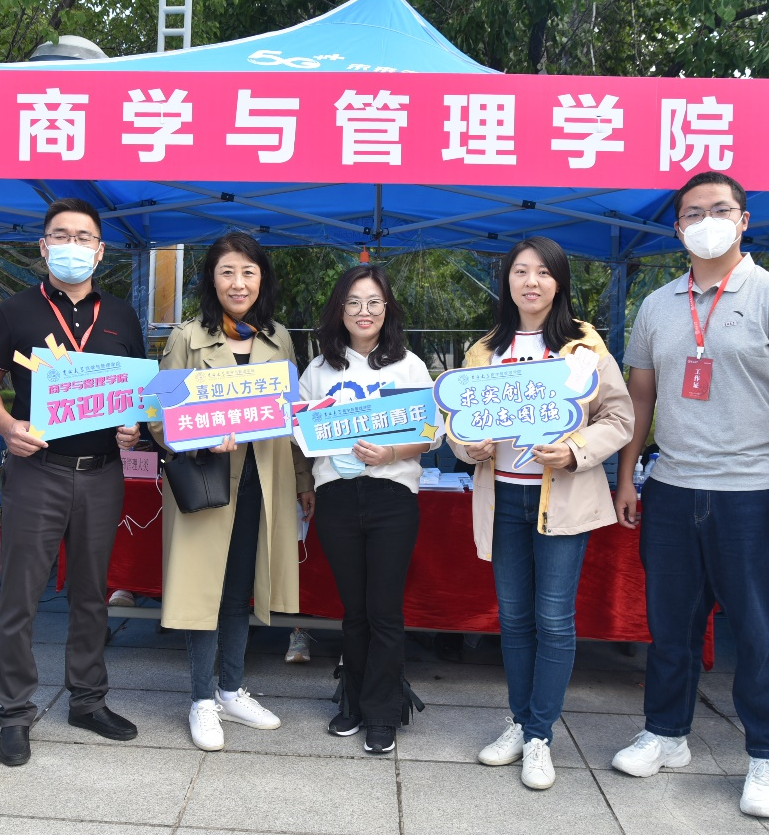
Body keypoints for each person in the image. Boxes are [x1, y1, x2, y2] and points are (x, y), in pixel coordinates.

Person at [611, 171, 769, 819]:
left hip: (752, 492)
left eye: (720, 209)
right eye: (693, 212)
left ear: (743, 220)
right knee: (670, 625)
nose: (706, 221)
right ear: (677, 227)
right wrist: (627, 475)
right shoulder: (657, 305)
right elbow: (640, 397)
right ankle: (665, 733)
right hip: (673, 488)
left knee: (759, 631)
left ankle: (766, 756)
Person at [451, 238, 633, 788]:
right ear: (507, 280)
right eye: (520, 272)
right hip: (504, 499)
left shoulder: (584, 346)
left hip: (562, 501)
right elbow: (456, 423)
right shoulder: (485, 350)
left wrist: (576, 450)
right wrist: (469, 448)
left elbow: (619, 416)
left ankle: (539, 736)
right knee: (513, 618)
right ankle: (519, 720)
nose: (531, 282)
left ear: (559, 282)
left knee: (553, 619)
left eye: (543, 273)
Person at [0, 198, 145, 767]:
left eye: (83, 237)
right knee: (20, 596)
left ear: (99, 251)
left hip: (102, 473)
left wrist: (134, 426)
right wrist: (6, 426)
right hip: (37, 471)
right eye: (61, 235)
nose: (72, 245)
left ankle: (88, 700)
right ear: (44, 245)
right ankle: (14, 712)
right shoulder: (14, 311)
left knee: (92, 594)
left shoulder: (122, 315)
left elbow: (135, 394)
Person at [152, 232, 315, 752]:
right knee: (204, 587)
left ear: (261, 279)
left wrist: (303, 479)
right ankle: (202, 699)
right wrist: (199, 437)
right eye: (227, 272)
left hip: (261, 482)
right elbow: (158, 415)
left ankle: (230, 688)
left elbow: (290, 417)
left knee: (240, 588)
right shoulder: (187, 337)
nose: (238, 283)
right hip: (207, 481)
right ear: (211, 279)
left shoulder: (278, 338)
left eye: (248, 272)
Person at [298, 263, 440, 754]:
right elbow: (302, 434)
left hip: (392, 496)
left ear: (387, 309)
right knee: (354, 611)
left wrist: (391, 452)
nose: (364, 311)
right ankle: (353, 703)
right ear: (339, 309)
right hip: (336, 496)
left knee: (384, 610)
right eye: (354, 302)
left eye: (374, 302)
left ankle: (383, 712)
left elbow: (431, 433)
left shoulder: (409, 365)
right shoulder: (319, 369)